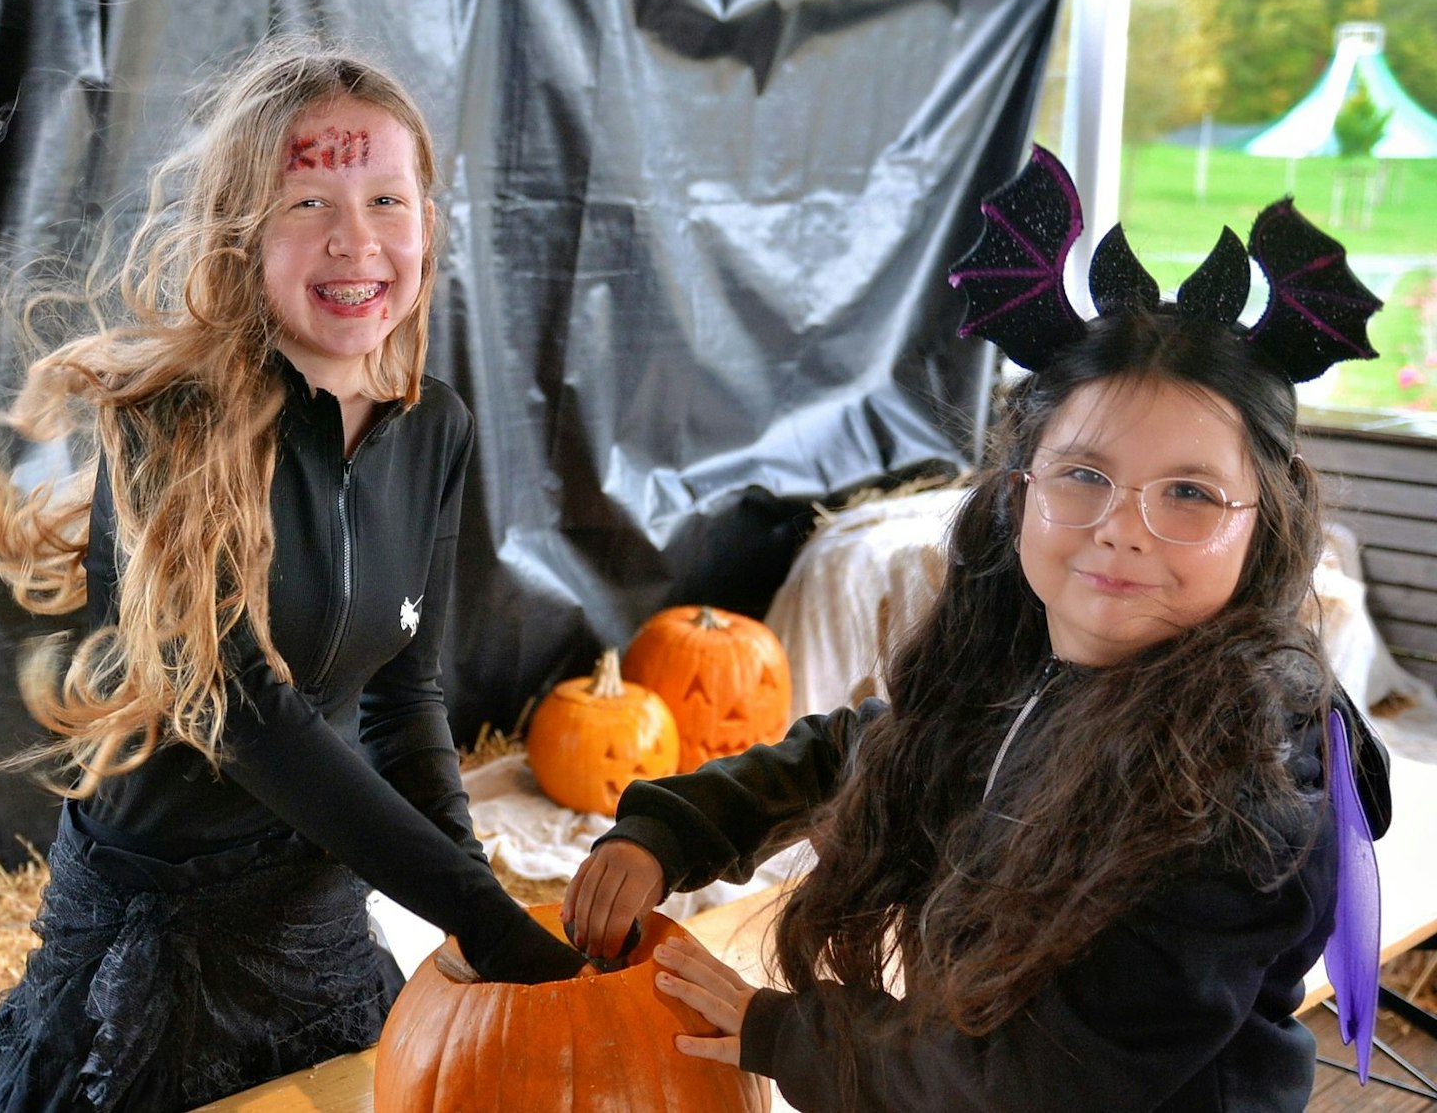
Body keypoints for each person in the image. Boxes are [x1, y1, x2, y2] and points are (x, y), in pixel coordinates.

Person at [561, 146, 1394, 1112]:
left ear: (1266, 528)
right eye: (1085, 475)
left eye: (1191, 493)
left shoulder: (1245, 799)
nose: (1124, 526)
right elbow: (878, 750)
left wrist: (782, 1030)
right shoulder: (1033, 662)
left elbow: (1039, 1085)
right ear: (1019, 492)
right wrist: (676, 827)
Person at [0, 37, 587, 1113]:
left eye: (387, 198)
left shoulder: (435, 426)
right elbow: (244, 710)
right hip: (163, 948)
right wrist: (484, 922)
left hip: (319, 919)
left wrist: (469, 901)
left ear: (428, 223)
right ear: (243, 231)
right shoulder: (163, 428)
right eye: (308, 204)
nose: (356, 241)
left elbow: (403, 697)